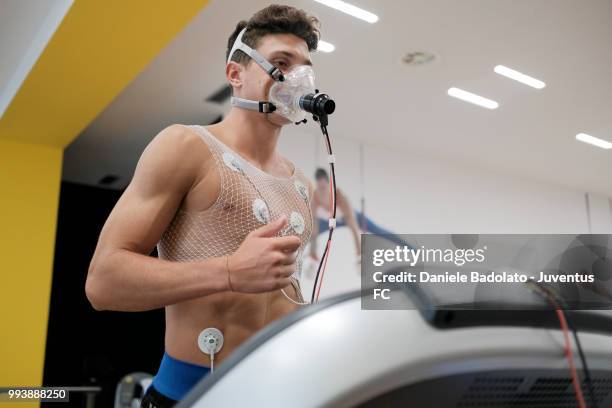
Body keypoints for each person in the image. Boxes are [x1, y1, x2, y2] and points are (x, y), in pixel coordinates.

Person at [85, 5, 321, 407]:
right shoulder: (186, 146)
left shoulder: (300, 184)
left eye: (306, 67)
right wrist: (229, 271)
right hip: (191, 393)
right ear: (235, 74)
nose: (299, 78)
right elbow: (103, 283)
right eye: (282, 62)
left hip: (279, 392)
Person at [310, 167, 412, 263]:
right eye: (320, 188)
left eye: (324, 188)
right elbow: (314, 230)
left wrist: (359, 252)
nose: (322, 192)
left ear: (329, 185)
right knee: (309, 235)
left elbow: (354, 227)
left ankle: (412, 248)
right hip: (330, 220)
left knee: (379, 231)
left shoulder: (340, 196)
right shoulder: (315, 199)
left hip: (349, 217)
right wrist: (313, 251)